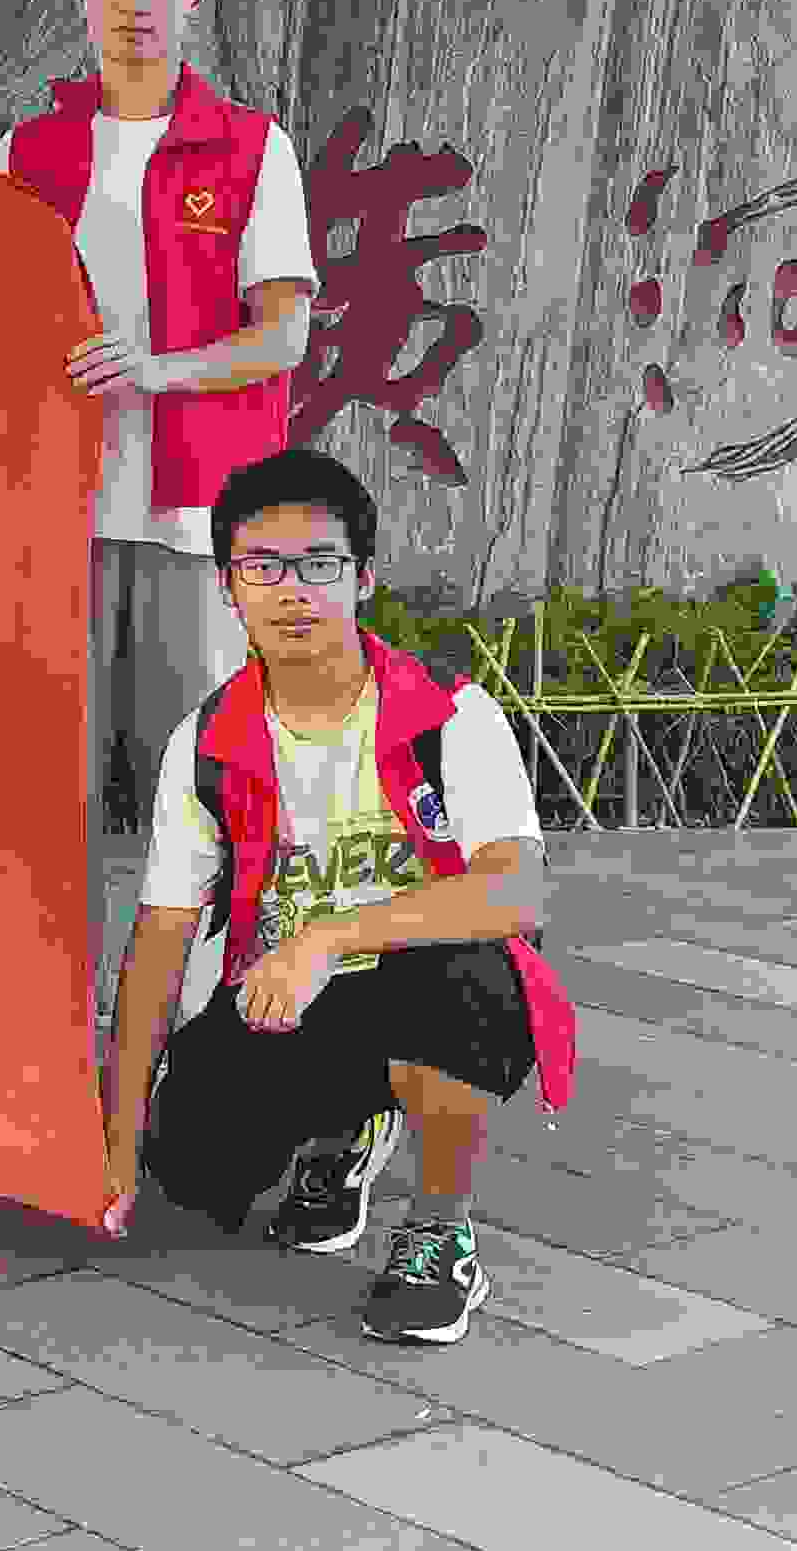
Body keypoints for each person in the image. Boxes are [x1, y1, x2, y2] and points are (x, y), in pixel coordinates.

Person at [105, 446, 573, 1341]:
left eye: (318, 565)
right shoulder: (205, 744)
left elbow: (517, 893)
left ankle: (439, 1231)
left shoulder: (450, 714)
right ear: (229, 587)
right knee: (191, 1181)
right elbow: (160, 940)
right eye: (262, 567)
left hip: (430, 986)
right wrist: (118, 1147)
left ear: (363, 579)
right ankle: (346, 1132)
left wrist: (324, 940)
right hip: (280, 1003)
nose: (292, 592)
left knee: (464, 980)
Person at [0, 0, 315, 855]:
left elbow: (283, 336)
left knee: (199, 796)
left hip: (194, 512)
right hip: (60, 517)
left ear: (195, 0)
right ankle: (67, 964)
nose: (134, 2)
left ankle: (210, 960)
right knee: (51, 794)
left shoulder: (252, 150)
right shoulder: (28, 151)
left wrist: (159, 372)